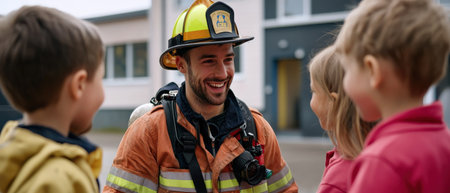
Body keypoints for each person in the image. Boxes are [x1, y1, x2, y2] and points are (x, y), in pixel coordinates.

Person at [103, 0, 298, 192]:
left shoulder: (258, 129)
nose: (222, 73)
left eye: (228, 59)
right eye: (209, 60)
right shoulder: (149, 134)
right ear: (181, 65)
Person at [334, 0, 450, 192]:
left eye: (347, 70)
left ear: (372, 71)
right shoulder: (444, 143)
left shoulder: (382, 162)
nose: (344, 84)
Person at [0, 6, 104, 193]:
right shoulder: (57, 181)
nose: (103, 95)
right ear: (79, 85)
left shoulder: (10, 145)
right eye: (100, 80)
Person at [309, 45, 374, 193]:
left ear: (334, 103)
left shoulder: (337, 182)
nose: (311, 100)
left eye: (313, 91)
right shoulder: (379, 155)